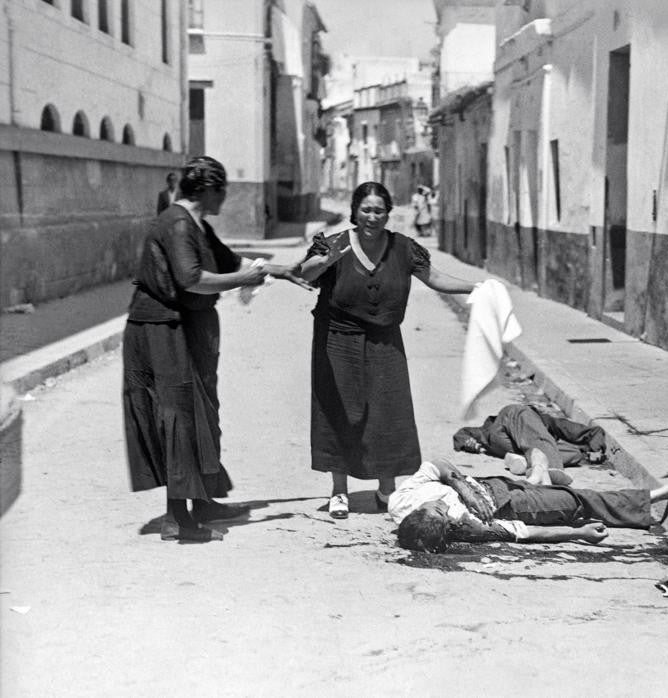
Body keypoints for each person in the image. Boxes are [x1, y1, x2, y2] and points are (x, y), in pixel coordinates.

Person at [123, 156, 308, 542]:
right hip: (161, 328)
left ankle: (203, 501)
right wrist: (245, 278)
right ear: (208, 189)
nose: (226, 197)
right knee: (177, 416)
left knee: (202, 414)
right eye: (223, 190)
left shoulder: (197, 226)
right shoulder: (176, 222)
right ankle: (178, 519)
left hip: (185, 328)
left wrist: (283, 271)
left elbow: (236, 262)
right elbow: (192, 280)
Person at [296, 181, 478, 519]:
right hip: (337, 337)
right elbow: (303, 275)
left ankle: (386, 488)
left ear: (388, 213)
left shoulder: (403, 248)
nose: (372, 217)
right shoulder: (334, 243)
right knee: (340, 411)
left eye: (379, 210)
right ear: (354, 211)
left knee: (387, 409)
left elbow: (434, 278)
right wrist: (325, 260)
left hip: (384, 339)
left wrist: (476, 287)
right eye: (366, 210)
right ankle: (339, 491)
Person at [390, 458, 668, 551]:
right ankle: (663, 493)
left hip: (486, 484)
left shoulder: (400, 501)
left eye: (438, 509)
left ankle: (539, 475)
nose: (446, 510)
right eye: (446, 519)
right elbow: (520, 532)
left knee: (547, 483)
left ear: (416, 511)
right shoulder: (460, 527)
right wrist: (576, 535)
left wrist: (460, 486)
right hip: (512, 505)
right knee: (580, 502)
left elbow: (436, 464)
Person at [453, 404, 608, 475]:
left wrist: (596, 449)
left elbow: (593, 432)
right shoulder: (524, 415)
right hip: (506, 425)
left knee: (574, 454)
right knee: (522, 415)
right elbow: (462, 434)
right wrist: (470, 444)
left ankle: (527, 462)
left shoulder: (550, 423)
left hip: (521, 450)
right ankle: (550, 471)